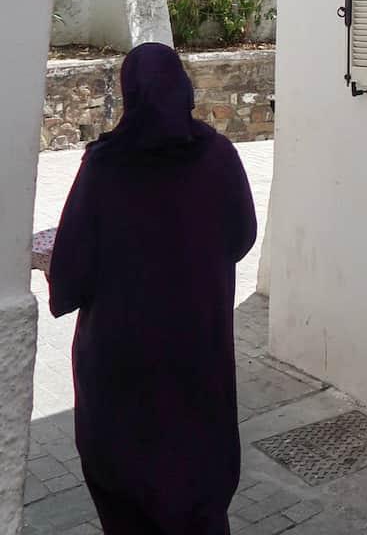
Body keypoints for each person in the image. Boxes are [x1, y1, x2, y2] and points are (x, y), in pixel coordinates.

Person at [48, 42, 258, 535]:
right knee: (196, 476)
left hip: (123, 366)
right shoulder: (217, 156)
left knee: (127, 487)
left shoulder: (105, 166)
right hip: (196, 355)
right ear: (182, 88)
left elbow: (73, 271)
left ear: (129, 95)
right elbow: (242, 235)